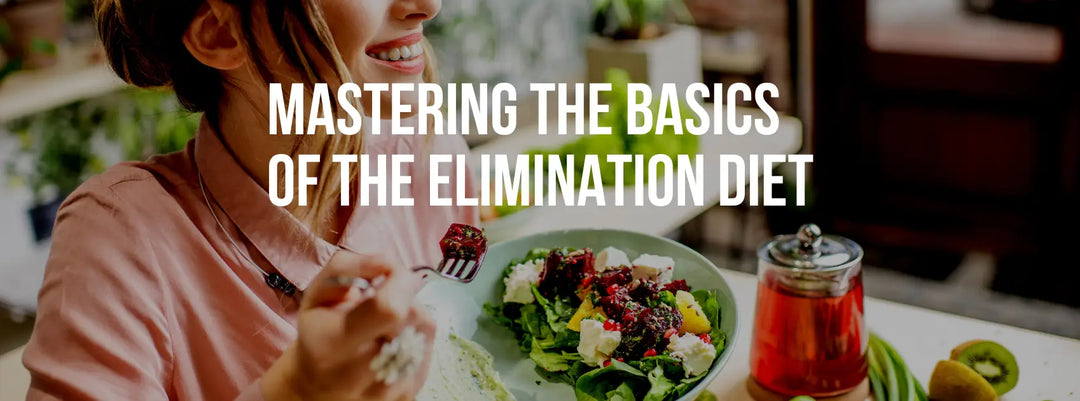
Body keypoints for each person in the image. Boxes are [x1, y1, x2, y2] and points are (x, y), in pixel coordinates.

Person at [21, 0, 473, 400]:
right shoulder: (118, 240)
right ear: (219, 32)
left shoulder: (430, 152)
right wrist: (296, 393)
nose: (428, 6)